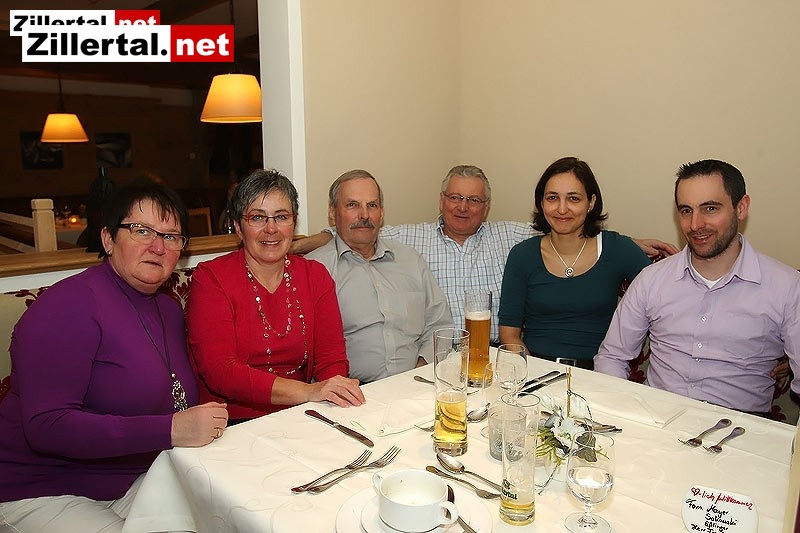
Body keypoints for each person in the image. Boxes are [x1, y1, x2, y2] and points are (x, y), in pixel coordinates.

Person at [0, 180, 228, 532]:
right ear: (108, 239)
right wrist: (171, 428)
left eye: (171, 236)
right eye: (141, 231)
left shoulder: (168, 309)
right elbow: (46, 426)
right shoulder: (66, 307)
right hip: (41, 488)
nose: (157, 246)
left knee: (228, 517)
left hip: (132, 479)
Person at [294, 165, 678, 343]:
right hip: (440, 357)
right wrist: (304, 241)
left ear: (487, 206)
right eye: (455, 197)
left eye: (474, 200)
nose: (463, 207)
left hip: (496, 355)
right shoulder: (407, 237)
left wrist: (625, 241)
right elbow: (358, 228)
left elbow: (566, 226)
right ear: (441, 200)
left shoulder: (511, 236)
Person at [594, 159, 800, 415]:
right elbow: (612, 357)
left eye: (710, 208)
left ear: (741, 208)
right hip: (655, 421)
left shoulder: (787, 288)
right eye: (686, 210)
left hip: (741, 429)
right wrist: (623, 413)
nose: (695, 225)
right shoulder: (651, 280)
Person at [186, 170, 364, 422]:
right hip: (231, 423)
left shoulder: (315, 275)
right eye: (257, 217)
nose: (271, 229)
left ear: (293, 223)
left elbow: (331, 359)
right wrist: (309, 391)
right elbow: (221, 371)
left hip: (303, 414)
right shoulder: (211, 278)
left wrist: (333, 395)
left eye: (281, 217)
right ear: (238, 227)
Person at [498, 157, 652, 369]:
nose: (562, 209)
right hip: (536, 371)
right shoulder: (522, 255)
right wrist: (531, 373)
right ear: (541, 203)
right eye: (552, 198)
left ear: (591, 202)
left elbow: (664, 295)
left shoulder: (618, 249)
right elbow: (509, 335)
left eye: (573, 198)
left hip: (599, 373)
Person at [305, 170, 453, 383]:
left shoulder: (410, 260)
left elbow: (440, 325)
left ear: (381, 213)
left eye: (372, 205)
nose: (364, 215)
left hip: (418, 384)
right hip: (353, 393)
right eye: (352, 205)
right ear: (332, 212)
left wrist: (420, 371)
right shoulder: (314, 270)